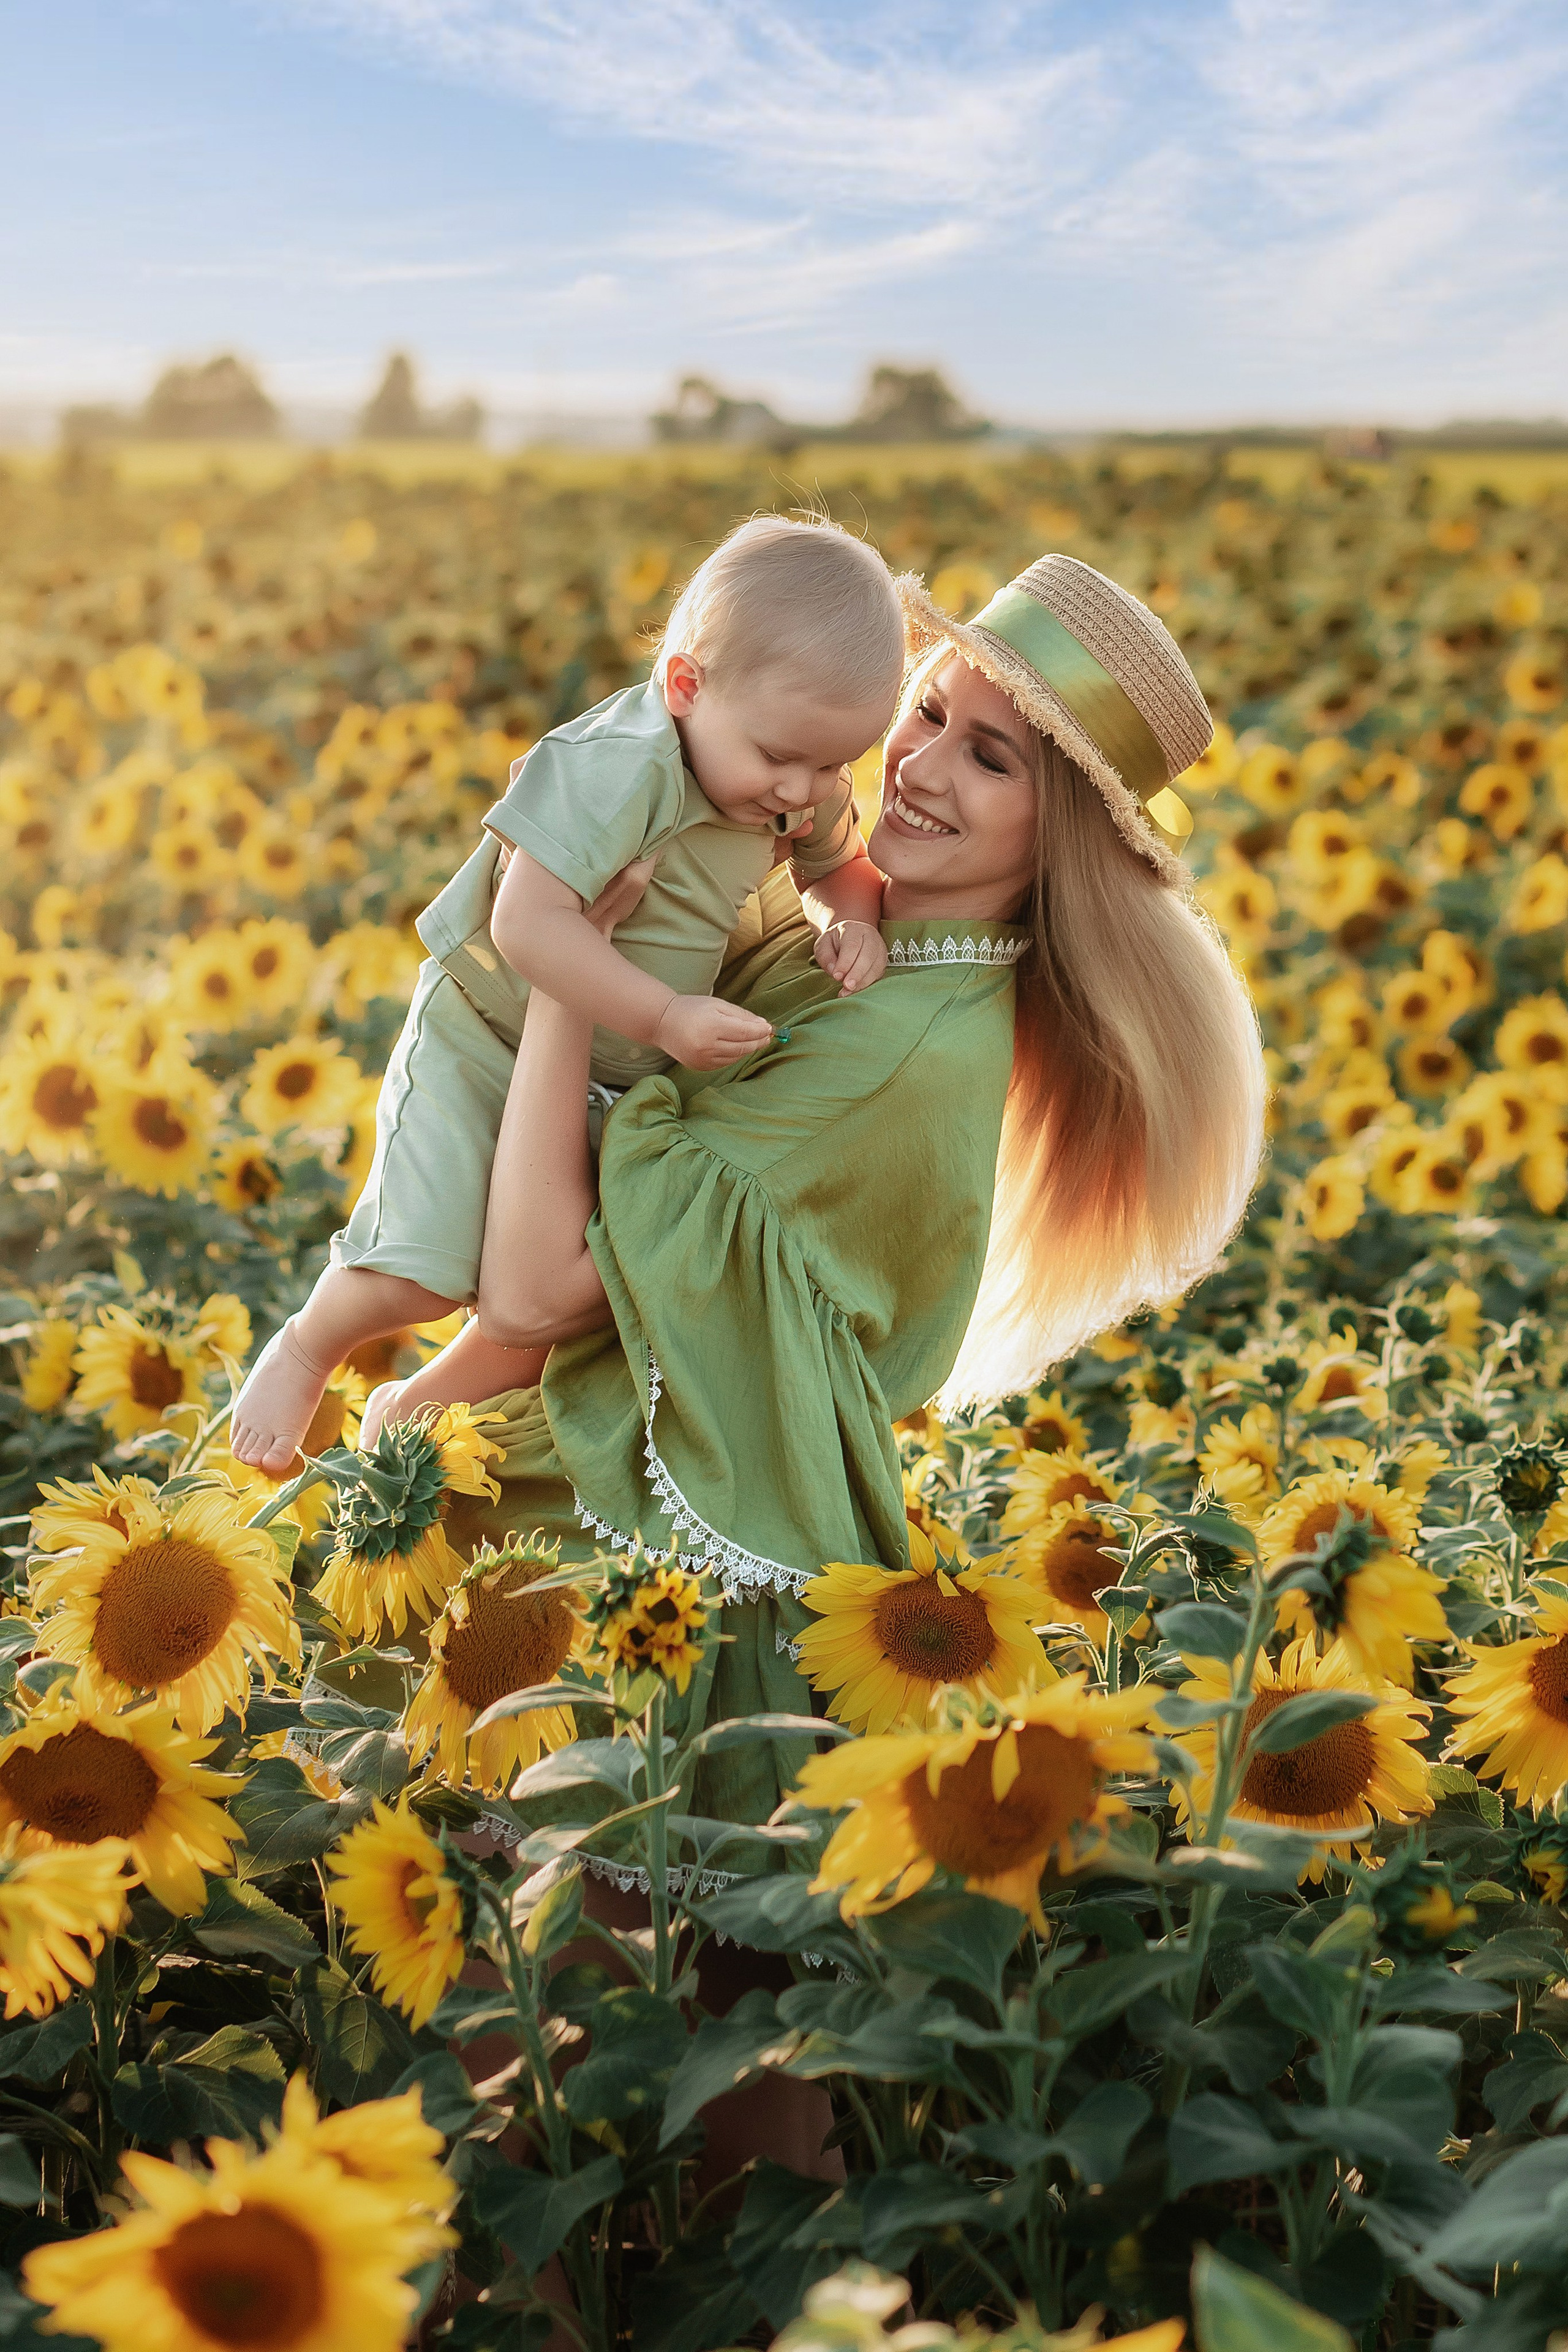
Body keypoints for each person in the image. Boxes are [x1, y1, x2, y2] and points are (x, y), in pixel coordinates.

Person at [360, 554, 1268, 1850]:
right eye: (929, 714)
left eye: (992, 761)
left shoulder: (891, 1048)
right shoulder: (854, 941)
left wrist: (568, 977)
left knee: (622, 1998)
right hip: (599, 1535)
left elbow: (535, 1291)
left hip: (654, 1595)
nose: (918, 764)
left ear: (1052, 836)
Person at [228, 516, 905, 1475]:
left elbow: (841, 866)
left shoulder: (792, 777)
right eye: (781, 757)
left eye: (836, 764)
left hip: (612, 1070)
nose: (803, 792)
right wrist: (665, 1017)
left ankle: (411, 1412)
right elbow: (526, 925)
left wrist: (853, 920)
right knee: (422, 1267)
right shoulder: (614, 767)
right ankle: (306, 1347)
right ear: (685, 686)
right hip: (489, 1031)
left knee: (562, 1292)